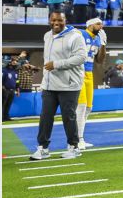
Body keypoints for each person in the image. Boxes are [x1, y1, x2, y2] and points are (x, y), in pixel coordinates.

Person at [32, 12, 86, 160]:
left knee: (68, 117)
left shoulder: (75, 36)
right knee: (45, 117)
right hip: (49, 85)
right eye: (53, 20)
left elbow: (82, 57)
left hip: (69, 85)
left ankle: (73, 147)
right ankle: (43, 148)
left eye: (60, 20)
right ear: (49, 20)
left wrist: (56, 65)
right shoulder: (47, 36)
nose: (56, 22)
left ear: (65, 20)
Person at [75, 18, 107, 149]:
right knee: (81, 107)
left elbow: (99, 60)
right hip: (78, 72)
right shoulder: (81, 34)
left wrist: (104, 44)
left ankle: (79, 136)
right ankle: (78, 139)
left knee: (88, 108)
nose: (101, 26)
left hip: (89, 73)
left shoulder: (98, 39)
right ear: (89, 25)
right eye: (98, 24)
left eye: (101, 24)